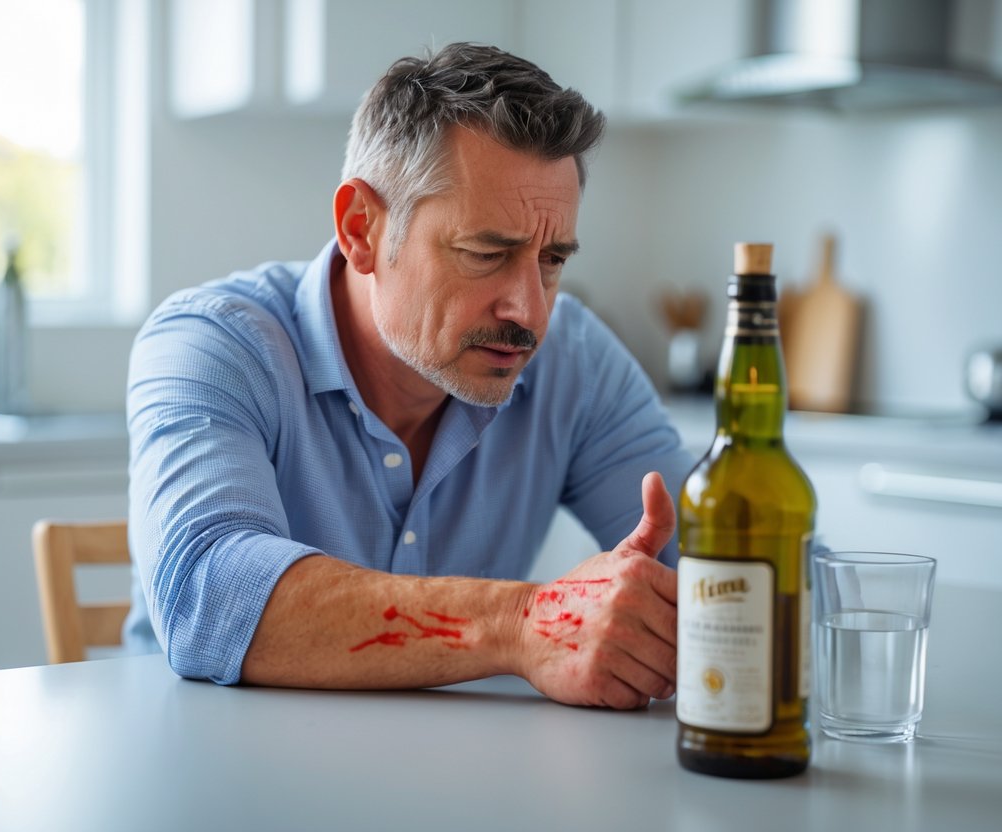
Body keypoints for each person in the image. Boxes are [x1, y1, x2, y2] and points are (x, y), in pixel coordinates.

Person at [123, 42, 696, 710]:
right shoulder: (211, 345)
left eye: (551, 259)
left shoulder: (576, 361)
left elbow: (741, 571)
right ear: (360, 228)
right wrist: (520, 623)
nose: (530, 311)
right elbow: (207, 598)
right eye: (487, 253)